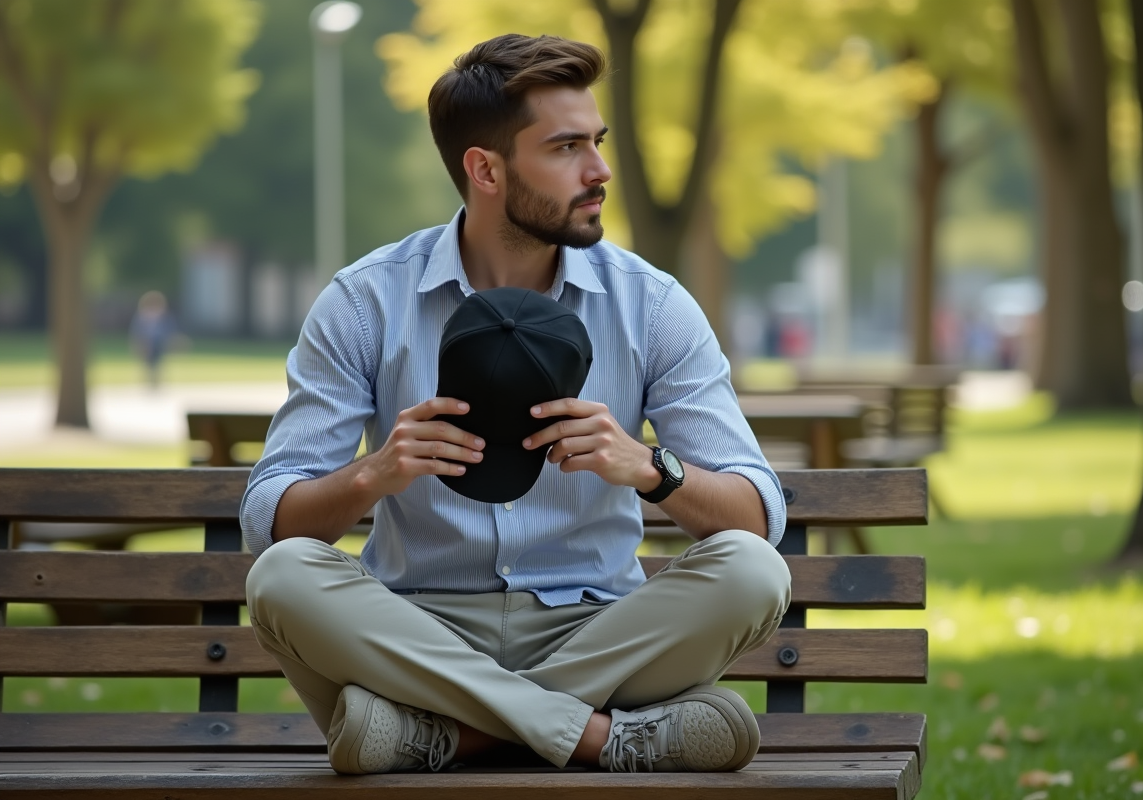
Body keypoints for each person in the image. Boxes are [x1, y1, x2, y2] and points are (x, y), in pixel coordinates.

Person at [241, 34, 791, 775]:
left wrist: (650, 467)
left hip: (599, 629)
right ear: (485, 168)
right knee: (283, 579)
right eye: (566, 148)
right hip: (417, 631)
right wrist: (372, 475)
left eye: (595, 141)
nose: (599, 170)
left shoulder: (651, 304)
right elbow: (268, 518)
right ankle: (601, 739)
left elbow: (758, 515)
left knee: (752, 571)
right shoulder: (366, 301)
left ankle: (444, 737)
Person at [128, 290, 175, 388]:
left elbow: (168, 329)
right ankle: (150, 380)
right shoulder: (142, 316)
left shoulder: (163, 316)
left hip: (158, 342)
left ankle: (155, 381)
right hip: (146, 341)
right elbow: (137, 331)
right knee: (148, 362)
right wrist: (138, 343)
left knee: (157, 362)